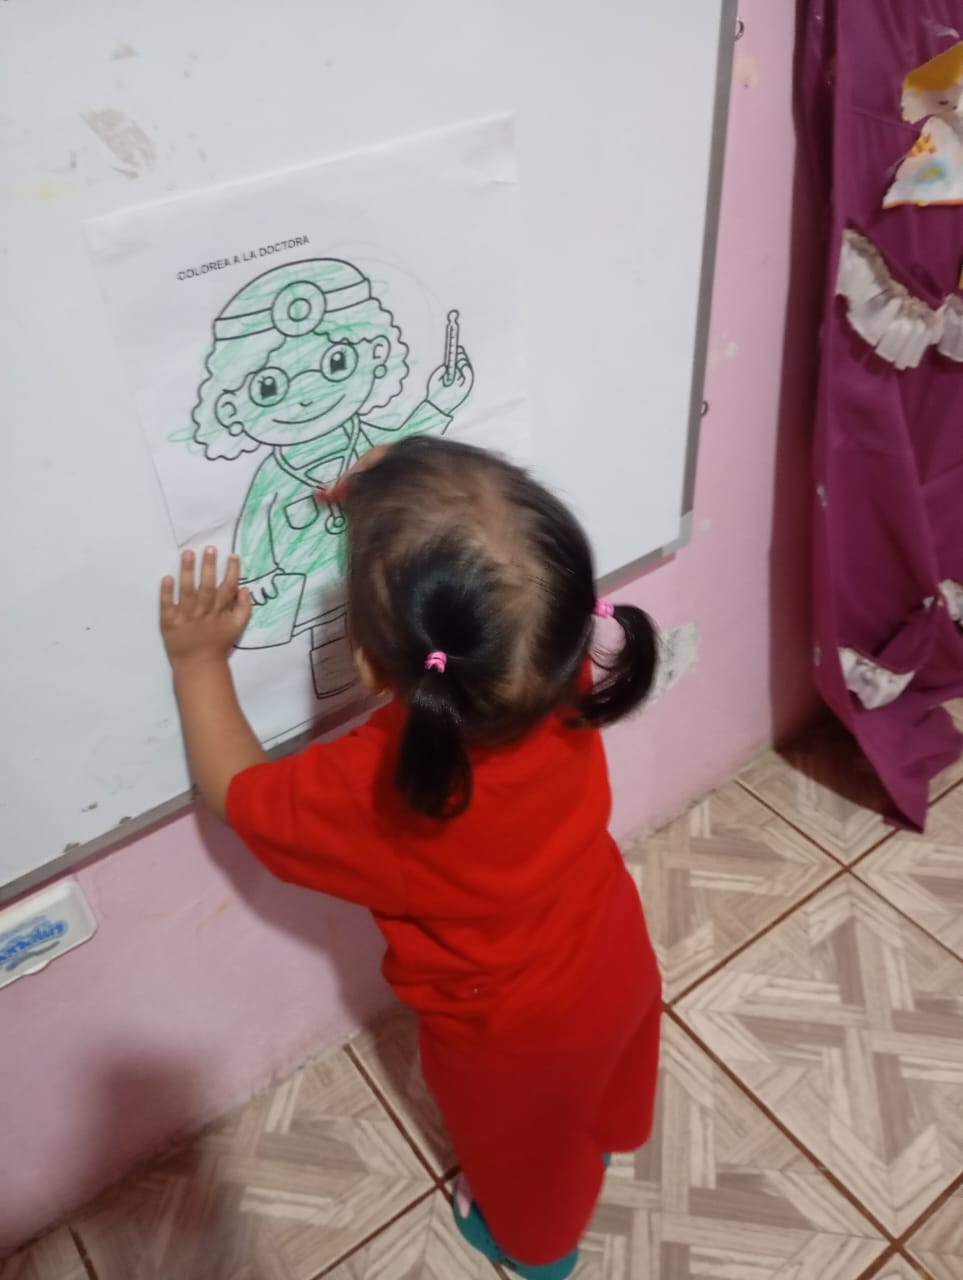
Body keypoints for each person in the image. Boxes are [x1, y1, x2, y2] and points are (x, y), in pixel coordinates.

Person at [158, 436, 662, 1279]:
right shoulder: (557, 669)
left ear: (366, 663)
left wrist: (198, 663)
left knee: (525, 1154)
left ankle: (537, 1250)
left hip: (508, 1035)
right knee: (600, 1080)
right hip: (612, 950)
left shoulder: (380, 788)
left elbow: (238, 792)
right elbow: (490, 558)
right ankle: (604, 1137)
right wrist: (402, 483)